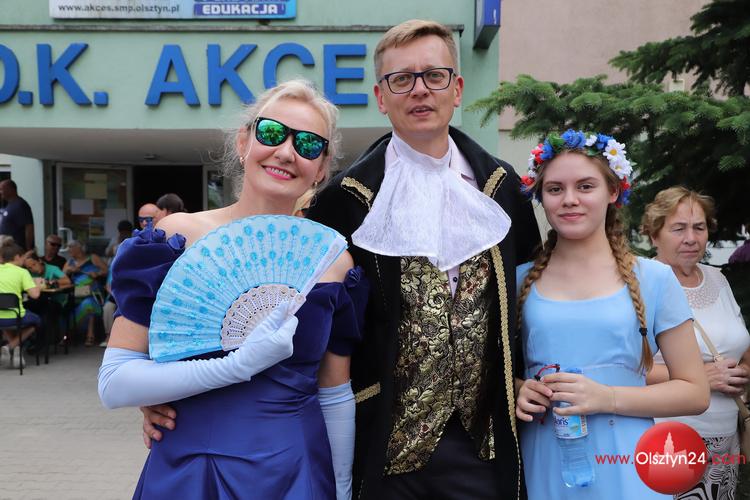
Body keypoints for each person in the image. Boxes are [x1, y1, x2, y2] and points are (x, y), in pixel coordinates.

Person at [142, 20, 539, 499]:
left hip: (485, 441)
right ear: (380, 96)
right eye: (401, 79)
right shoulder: (342, 200)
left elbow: (531, 297)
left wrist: (528, 377)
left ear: (456, 89)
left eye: (434, 76)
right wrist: (164, 392)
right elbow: (294, 320)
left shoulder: (503, 188)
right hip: (382, 442)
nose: (419, 90)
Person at [98, 79, 368, 499]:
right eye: (272, 133)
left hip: (295, 474)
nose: (286, 152)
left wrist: (343, 488)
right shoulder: (176, 238)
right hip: (192, 472)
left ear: (322, 167)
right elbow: (115, 381)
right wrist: (235, 366)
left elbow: (334, 395)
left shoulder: (333, 261)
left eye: (308, 144)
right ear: (244, 141)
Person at [514, 131, 710, 500]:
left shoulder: (654, 279)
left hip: (626, 461)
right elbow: (491, 374)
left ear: (614, 191)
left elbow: (695, 392)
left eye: (585, 186)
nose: (569, 199)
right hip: (546, 461)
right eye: (555, 189)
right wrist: (519, 389)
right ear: (541, 197)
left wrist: (608, 397)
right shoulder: (518, 280)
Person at [642, 187, 750, 500]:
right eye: (678, 229)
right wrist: (701, 377)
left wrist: (742, 372)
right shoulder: (642, 283)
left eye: (699, 228)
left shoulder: (717, 278)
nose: (691, 238)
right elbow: (627, 368)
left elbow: (741, 345)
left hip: (726, 438)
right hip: (670, 439)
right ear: (654, 235)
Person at [0, 244, 42, 369]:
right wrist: (38, 284)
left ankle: (15, 348)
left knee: (4, 320)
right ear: (17, 257)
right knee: (36, 321)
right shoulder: (22, 272)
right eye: (23, 257)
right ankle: (10, 346)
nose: (24, 260)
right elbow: (35, 295)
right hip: (16, 315)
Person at [63, 240, 107, 347]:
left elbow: (106, 270)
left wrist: (97, 273)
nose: (69, 250)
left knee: (89, 303)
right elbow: (61, 275)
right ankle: (67, 334)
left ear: (79, 248)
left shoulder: (92, 258)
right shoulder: (70, 262)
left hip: (93, 293)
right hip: (76, 294)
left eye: (71, 247)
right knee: (64, 304)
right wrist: (68, 270)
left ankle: (89, 335)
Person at [0, 179, 34, 251]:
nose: (0, 192)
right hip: (6, 247)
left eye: (1, 189)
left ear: (11, 190)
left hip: (16, 248)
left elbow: (29, 227)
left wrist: (28, 248)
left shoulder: (20, 205)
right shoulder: (9, 204)